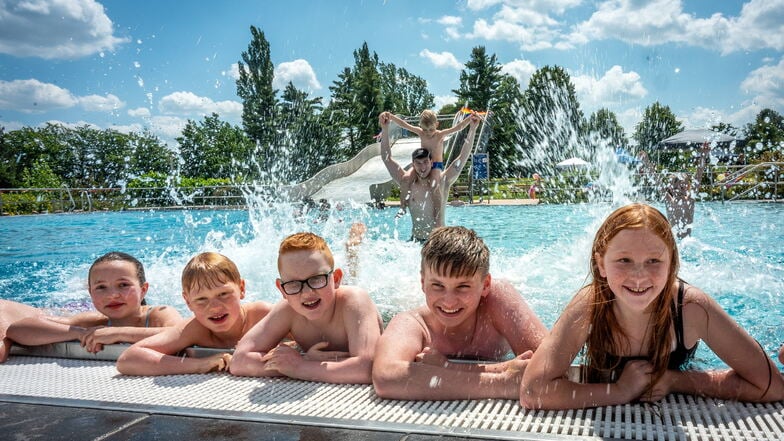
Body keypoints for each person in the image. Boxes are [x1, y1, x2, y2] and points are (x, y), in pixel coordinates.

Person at [520, 203, 784, 410]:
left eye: (653, 261)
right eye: (623, 260)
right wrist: (620, 392)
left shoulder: (691, 308)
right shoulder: (590, 306)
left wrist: (674, 381)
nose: (638, 276)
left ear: (672, 265)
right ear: (601, 264)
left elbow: (772, 387)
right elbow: (532, 392)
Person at [372, 226, 547, 400]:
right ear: (423, 283)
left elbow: (550, 364)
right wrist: (500, 381)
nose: (449, 301)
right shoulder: (413, 323)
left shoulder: (497, 300)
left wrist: (447, 367)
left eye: (463, 287)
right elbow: (385, 377)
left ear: (485, 285)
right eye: (438, 286)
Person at [230, 232, 382, 384]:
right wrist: (299, 361)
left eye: (316, 279)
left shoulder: (355, 302)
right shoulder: (288, 309)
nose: (307, 293)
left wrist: (300, 367)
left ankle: (352, 249)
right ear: (282, 290)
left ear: (335, 279)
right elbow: (239, 360)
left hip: (346, 303)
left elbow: (367, 368)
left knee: (351, 282)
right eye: (294, 284)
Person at [4, 252, 182, 361]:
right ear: (90, 293)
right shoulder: (94, 322)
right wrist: (78, 333)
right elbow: (17, 329)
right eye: (101, 287)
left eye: (123, 285)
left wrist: (117, 333)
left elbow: (182, 334)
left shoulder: (159, 314)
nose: (112, 295)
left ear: (143, 290)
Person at [116, 252, 272, 375]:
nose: (214, 307)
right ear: (188, 301)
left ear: (242, 289)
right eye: (201, 299)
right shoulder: (196, 328)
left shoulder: (263, 316)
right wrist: (199, 365)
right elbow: (128, 359)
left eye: (223, 294)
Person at [379, 111, 480, 243]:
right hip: (414, 242)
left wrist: (472, 128)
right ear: (413, 164)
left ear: (431, 162)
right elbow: (387, 158)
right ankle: (402, 207)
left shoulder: (442, 181)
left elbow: (463, 157)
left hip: (439, 243)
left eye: (426, 162)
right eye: (418, 163)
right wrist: (385, 128)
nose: (422, 167)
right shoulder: (408, 183)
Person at [665, 142, 710, 239]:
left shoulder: (690, 200)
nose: (680, 185)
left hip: (687, 243)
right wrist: (647, 164)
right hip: (674, 244)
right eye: (676, 183)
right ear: (671, 189)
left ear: (687, 187)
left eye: (683, 183)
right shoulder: (669, 200)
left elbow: (698, 178)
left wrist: (703, 156)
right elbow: (657, 183)